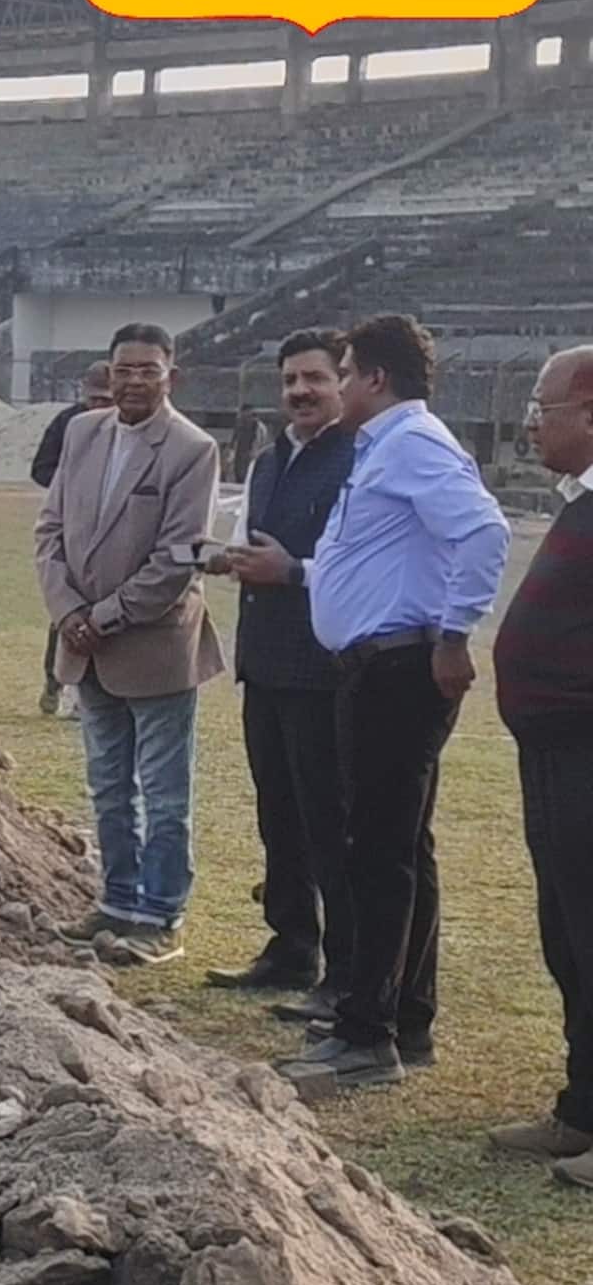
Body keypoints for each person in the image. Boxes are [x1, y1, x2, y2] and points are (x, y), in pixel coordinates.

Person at [279, 314, 509, 1092]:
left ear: (374, 378)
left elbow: (483, 530)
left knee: (376, 852)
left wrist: (453, 635)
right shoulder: (385, 448)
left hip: (399, 671)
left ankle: (366, 1035)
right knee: (401, 846)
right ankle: (407, 1018)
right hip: (378, 666)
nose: (336, 385)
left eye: (342, 372)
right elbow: (379, 560)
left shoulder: (412, 443)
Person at [36, 323, 224, 965]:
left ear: (171, 374)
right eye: (124, 369)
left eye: (148, 369)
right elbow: (49, 529)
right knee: (108, 786)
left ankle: (161, 915)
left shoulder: (192, 449)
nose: (135, 380)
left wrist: (105, 616)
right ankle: (116, 902)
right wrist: (67, 611)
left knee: (165, 791)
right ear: (107, 373)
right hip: (84, 642)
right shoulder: (83, 433)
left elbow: (179, 558)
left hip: (153, 645)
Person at [205, 331, 355, 1002]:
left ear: (343, 383)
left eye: (314, 379)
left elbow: (363, 569)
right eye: (291, 379)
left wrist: (293, 573)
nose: (300, 391)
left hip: (325, 668)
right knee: (279, 818)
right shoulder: (269, 459)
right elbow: (252, 543)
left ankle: (346, 971)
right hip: (263, 665)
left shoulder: (362, 460)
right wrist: (231, 560)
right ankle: (292, 948)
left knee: (331, 823)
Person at [488, 346, 593, 1188]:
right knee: (569, 935)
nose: (532, 418)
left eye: (543, 403)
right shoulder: (578, 502)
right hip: (554, 751)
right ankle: (581, 1109)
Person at [33, 361, 117, 716]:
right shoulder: (69, 424)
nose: (99, 408)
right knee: (67, 610)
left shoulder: (134, 429)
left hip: (116, 531)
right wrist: (72, 490)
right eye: (94, 400)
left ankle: (94, 693)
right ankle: (55, 682)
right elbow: (40, 468)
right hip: (74, 526)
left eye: (106, 401)